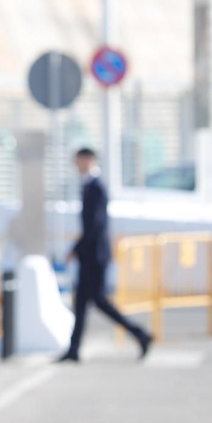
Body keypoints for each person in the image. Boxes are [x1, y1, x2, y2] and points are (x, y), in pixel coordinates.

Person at [58, 147, 152, 362]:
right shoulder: (88, 186)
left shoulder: (97, 187)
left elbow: (95, 225)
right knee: (81, 303)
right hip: (88, 255)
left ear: (88, 160)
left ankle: (140, 334)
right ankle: (74, 349)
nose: (76, 165)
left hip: (95, 256)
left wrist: (76, 249)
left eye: (79, 160)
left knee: (99, 302)